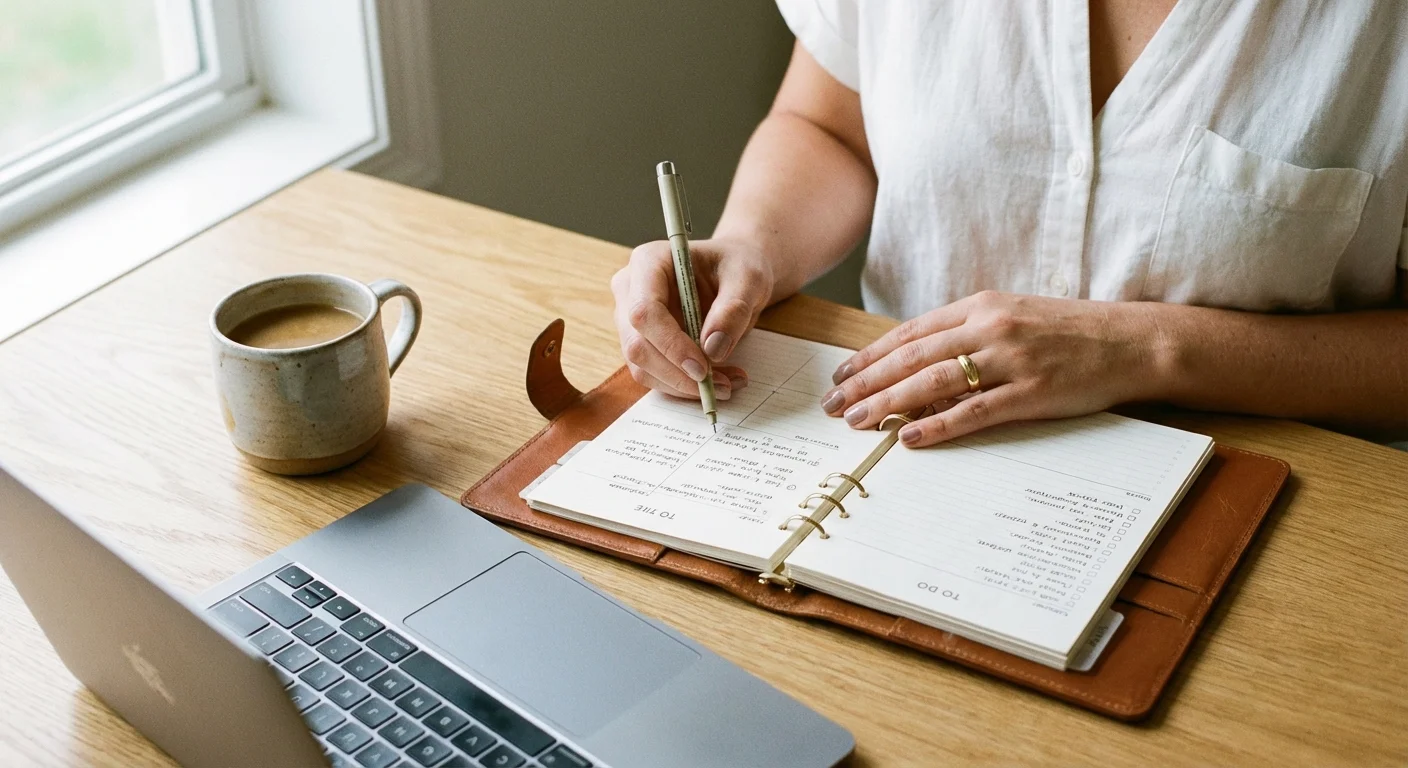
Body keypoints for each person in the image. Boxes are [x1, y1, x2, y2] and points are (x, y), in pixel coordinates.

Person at [611, 1, 1408, 448]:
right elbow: (830, 126)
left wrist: (1147, 348)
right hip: (897, 449)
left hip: (1274, 499)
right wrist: (753, 241)